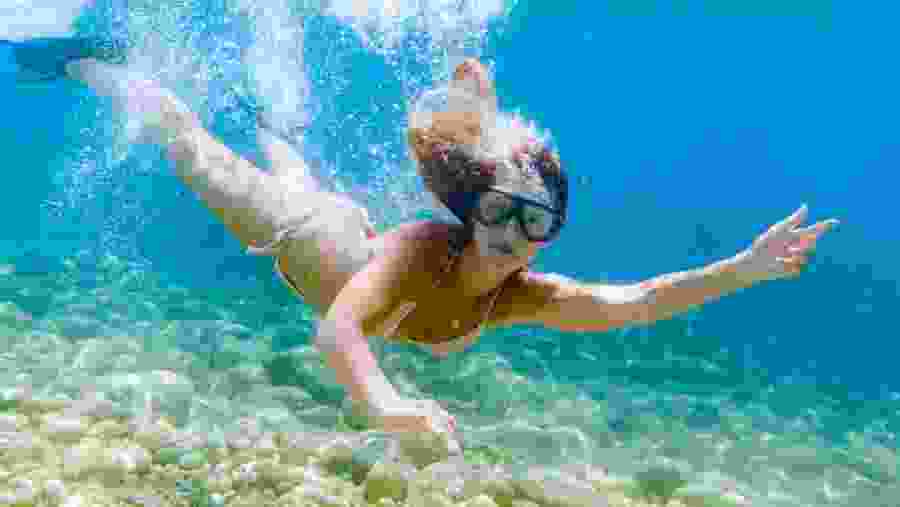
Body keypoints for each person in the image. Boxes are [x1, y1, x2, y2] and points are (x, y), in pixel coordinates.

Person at [6, 37, 839, 444]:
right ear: (472, 208)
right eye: (504, 210)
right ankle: (90, 63)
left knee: (306, 181)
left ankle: (276, 125)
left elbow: (635, 302)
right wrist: (387, 405)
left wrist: (745, 267)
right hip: (303, 238)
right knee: (192, 148)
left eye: (536, 222)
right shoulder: (420, 249)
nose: (514, 236)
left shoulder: (523, 294)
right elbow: (336, 329)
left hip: (336, 232)